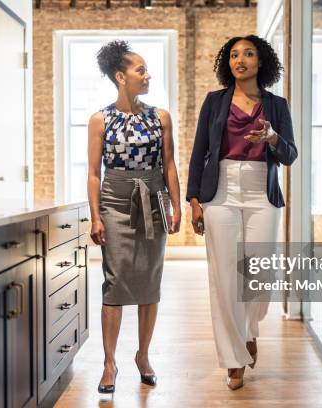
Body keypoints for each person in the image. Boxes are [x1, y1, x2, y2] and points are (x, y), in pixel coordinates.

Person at [186, 35, 297, 390]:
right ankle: (235, 359)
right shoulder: (214, 102)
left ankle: (250, 331)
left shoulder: (276, 105)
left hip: (260, 190)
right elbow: (199, 150)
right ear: (227, 63)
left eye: (248, 54)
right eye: (234, 55)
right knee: (224, 278)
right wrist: (193, 199)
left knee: (258, 275)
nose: (241, 60)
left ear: (261, 62)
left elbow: (290, 154)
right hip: (220, 191)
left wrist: (273, 138)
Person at [87, 40, 181, 394]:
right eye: (140, 70)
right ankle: (109, 363)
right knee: (115, 280)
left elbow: (168, 163)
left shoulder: (160, 116)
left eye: (146, 69)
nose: (147, 75)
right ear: (120, 77)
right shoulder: (100, 119)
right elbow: (94, 173)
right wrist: (96, 216)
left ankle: (143, 356)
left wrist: (175, 204)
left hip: (153, 199)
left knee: (149, 279)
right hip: (114, 201)